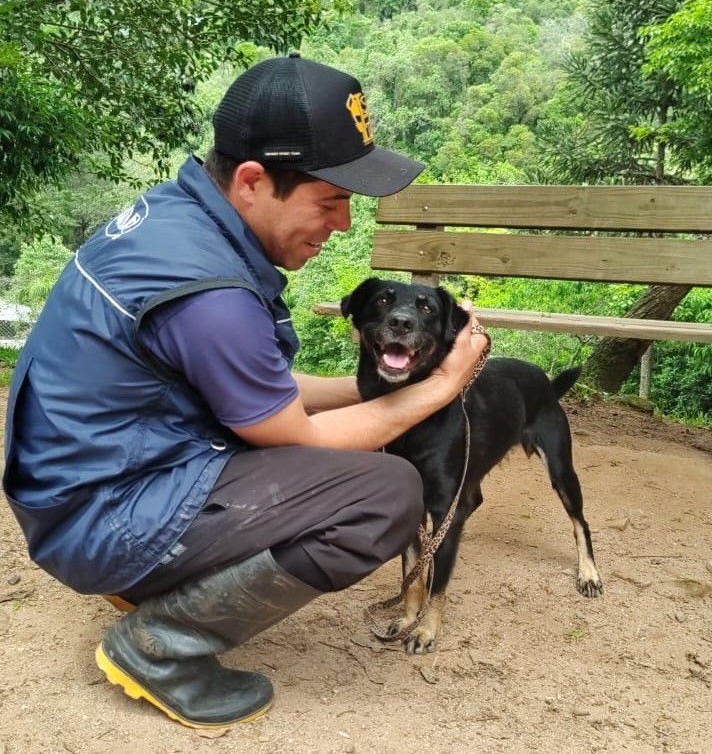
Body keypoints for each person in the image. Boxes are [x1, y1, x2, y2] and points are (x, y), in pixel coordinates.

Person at [2, 54, 489, 729]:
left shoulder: (182, 221)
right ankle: (159, 647)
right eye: (330, 200)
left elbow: (258, 386)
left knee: (342, 456)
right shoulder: (213, 292)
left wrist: (367, 387)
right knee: (386, 491)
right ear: (255, 181)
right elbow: (304, 440)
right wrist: (443, 386)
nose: (343, 225)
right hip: (100, 515)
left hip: (87, 486)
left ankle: (156, 575)